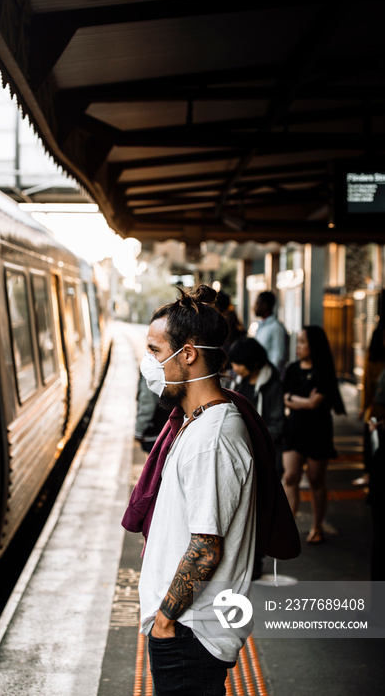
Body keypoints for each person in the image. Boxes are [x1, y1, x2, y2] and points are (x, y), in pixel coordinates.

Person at [128, 285, 256, 695]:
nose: (148, 363)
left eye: (154, 350)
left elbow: (205, 547)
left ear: (187, 355)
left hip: (188, 633)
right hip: (187, 629)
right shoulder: (197, 421)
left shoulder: (212, 440)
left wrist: (165, 621)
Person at [282, 325, 346, 545]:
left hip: (318, 432)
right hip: (294, 429)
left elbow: (315, 403)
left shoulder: (324, 372)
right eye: (298, 341)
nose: (298, 346)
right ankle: (288, 528)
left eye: (302, 342)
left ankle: (317, 527)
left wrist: (296, 400)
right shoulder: (292, 369)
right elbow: (286, 397)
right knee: (290, 477)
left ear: (314, 346)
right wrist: (305, 402)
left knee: (316, 480)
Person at [228, 337, 285, 476]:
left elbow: (277, 423)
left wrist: (254, 439)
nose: (234, 367)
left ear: (253, 363)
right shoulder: (236, 382)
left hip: (264, 453)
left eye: (238, 363)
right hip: (239, 450)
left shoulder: (272, 386)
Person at [358, 322, 385, 485]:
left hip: (375, 410)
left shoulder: (372, 359)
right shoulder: (376, 361)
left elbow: (367, 385)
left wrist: (364, 408)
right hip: (377, 410)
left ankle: (370, 474)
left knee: (373, 446)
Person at [254, 291, 287, 374]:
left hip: (269, 378)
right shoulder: (261, 325)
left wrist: (270, 377)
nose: (255, 307)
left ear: (265, 305)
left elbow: (278, 356)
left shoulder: (276, 327)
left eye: (257, 303)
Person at [135, 373, 169, 453]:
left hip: (153, 431)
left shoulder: (149, 368)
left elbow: (147, 402)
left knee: (154, 463)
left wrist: (139, 430)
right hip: (168, 427)